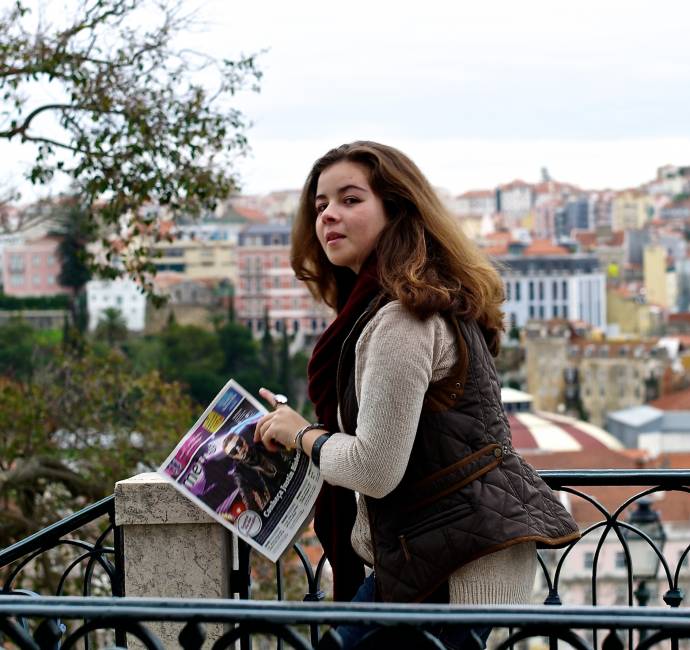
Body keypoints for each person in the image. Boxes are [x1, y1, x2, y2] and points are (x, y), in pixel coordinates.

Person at [254, 141, 580, 649]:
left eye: (350, 200)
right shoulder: (422, 300)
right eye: (320, 206)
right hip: (434, 554)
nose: (329, 217)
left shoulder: (403, 319)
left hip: (447, 569)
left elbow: (374, 470)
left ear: (397, 209)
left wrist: (303, 435)